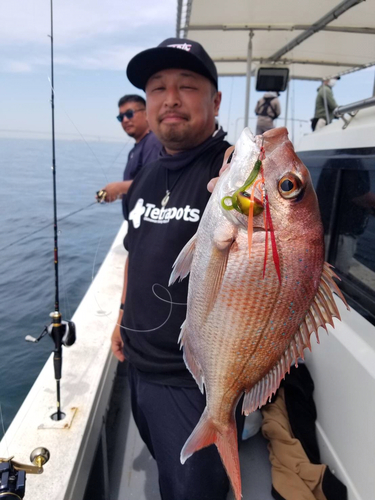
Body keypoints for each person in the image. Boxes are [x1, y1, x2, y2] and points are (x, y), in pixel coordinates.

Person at [111, 37, 244, 500]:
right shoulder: (145, 176)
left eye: (187, 86)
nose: (170, 98)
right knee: (162, 461)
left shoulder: (233, 177)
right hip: (138, 363)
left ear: (215, 100)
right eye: (157, 88)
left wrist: (256, 180)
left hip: (198, 381)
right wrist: (121, 317)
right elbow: (136, 248)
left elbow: (272, 231)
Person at [97, 95, 161, 214]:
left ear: (147, 113)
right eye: (121, 117)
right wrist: (117, 194)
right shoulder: (136, 149)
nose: (125, 120)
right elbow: (139, 186)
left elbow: (155, 183)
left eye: (129, 113)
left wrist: (118, 188)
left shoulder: (153, 143)